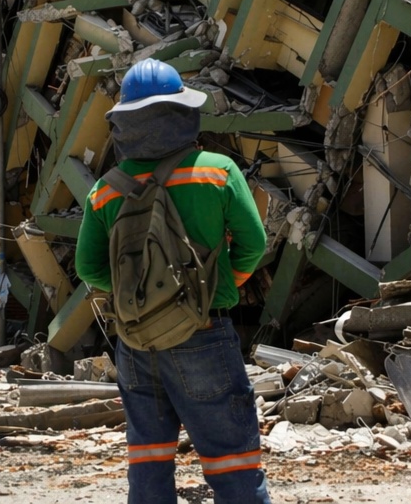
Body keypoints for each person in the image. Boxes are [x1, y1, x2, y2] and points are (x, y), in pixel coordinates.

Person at [76, 58, 271, 504]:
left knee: (148, 459)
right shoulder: (216, 171)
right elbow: (253, 244)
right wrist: (218, 288)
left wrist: (137, 299)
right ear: (183, 112)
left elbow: (88, 268)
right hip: (204, 331)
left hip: (137, 343)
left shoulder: (105, 189)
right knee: (231, 462)